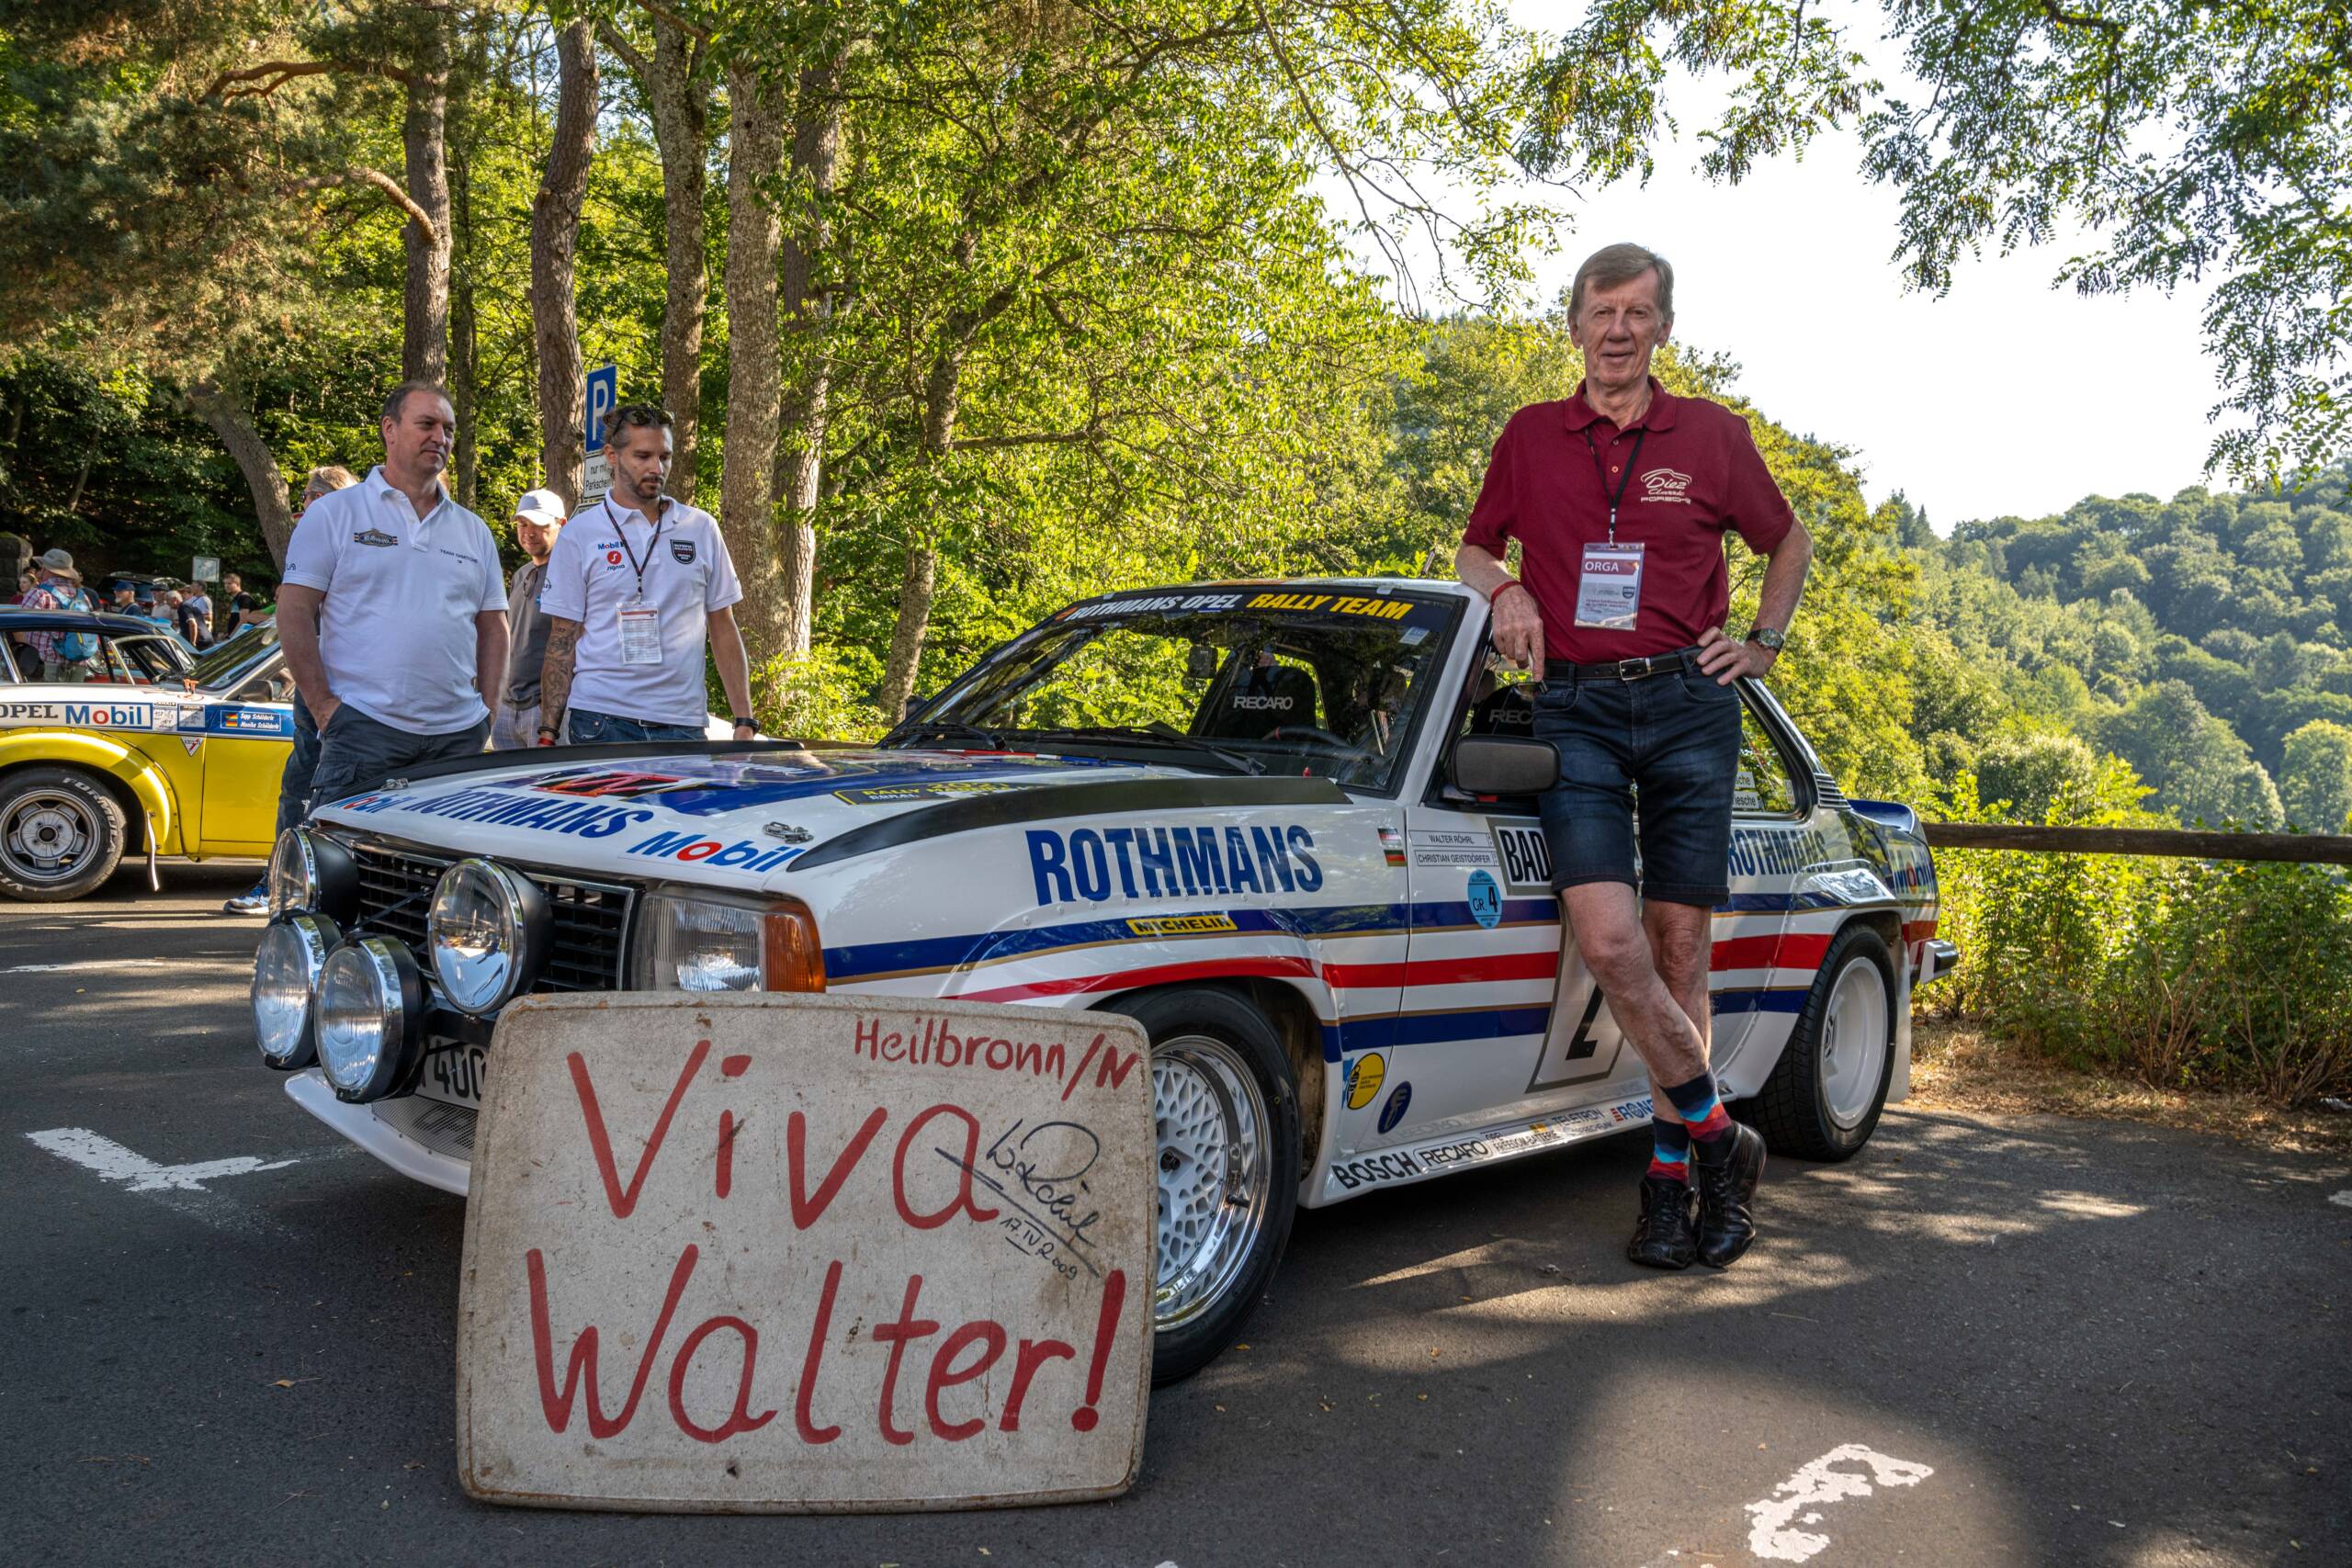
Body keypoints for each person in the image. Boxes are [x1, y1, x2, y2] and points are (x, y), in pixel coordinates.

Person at [1455, 242, 1815, 1273]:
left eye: (1637, 312)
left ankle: (1668, 1182)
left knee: (1679, 952)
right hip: (1571, 708)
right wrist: (1505, 589)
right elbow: (1476, 546)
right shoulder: (1529, 436)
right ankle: (1719, 1138)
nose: (1617, 329)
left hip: (1691, 704)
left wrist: (1763, 644)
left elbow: (1784, 541)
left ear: (1662, 329)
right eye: (1600, 310)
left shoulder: (1710, 435)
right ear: (1572, 325)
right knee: (1613, 946)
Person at [278, 386, 505, 805]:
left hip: (455, 739)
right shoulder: (335, 513)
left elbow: (494, 628)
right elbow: (293, 611)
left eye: (449, 429)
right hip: (364, 732)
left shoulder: (474, 530)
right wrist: (325, 709)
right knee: (351, 867)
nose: (440, 438)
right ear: (389, 429)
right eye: (427, 424)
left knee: (439, 869)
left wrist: (485, 717)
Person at [537, 402, 755, 745]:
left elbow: (723, 624)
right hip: (601, 719)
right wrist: (548, 730)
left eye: (664, 457)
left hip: (682, 722)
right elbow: (562, 638)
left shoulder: (700, 528)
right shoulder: (580, 533)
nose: (656, 468)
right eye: (642, 456)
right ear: (612, 455)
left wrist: (744, 719)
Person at [225, 468, 365, 914]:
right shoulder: (313, 540)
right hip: (315, 688)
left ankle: (315, 890)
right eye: (305, 496)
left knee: (339, 790)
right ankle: (278, 883)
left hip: (351, 691)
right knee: (299, 785)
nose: (303, 506)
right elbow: (291, 613)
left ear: (333, 500)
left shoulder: (359, 540)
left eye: (312, 496)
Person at [488, 489, 568, 750]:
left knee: (549, 785)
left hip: (543, 710)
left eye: (539, 525)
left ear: (561, 524)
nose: (528, 532)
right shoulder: (520, 574)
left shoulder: (571, 573)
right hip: (506, 706)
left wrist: (552, 712)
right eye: (523, 524)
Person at [17, 549, 98, 682]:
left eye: (41, 567)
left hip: (46, 665)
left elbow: (19, 628)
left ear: (46, 570)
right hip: (79, 665)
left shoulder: (38, 594)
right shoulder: (82, 596)